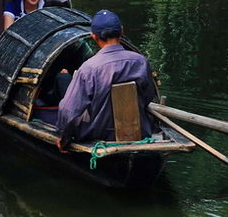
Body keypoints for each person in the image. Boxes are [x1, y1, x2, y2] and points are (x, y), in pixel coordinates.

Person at [55, 9, 157, 151]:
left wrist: (63, 135)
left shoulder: (89, 68)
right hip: (138, 131)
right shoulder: (140, 61)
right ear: (121, 32)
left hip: (98, 134)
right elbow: (148, 97)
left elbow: (68, 110)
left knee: (63, 80)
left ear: (94, 37)